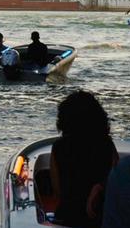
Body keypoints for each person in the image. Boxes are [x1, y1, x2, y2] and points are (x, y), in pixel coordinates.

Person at [51, 91, 119, 227]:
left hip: (69, 216)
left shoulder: (59, 147)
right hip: (100, 216)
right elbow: (116, 182)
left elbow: (58, 191)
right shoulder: (107, 145)